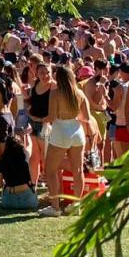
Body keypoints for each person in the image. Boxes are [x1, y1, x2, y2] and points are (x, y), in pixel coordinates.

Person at [39, 65, 89, 217]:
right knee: (78, 169)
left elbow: (52, 116)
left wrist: (41, 120)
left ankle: (55, 207)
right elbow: (86, 117)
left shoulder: (55, 94)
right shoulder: (79, 93)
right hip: (76, 130)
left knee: (50, 170)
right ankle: (76, 204)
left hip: (61, 130)